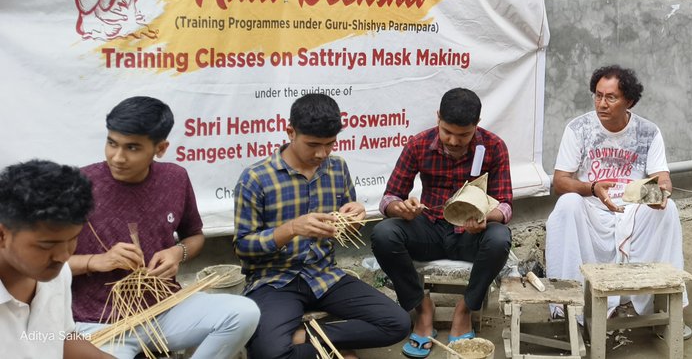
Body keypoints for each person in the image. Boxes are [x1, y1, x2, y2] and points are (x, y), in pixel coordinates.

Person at [70, 96, 260, 359]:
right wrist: (95, 261)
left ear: (160, 148)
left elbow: (194, 236)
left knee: (244, 313)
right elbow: (42, 264)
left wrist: (177, 253)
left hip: (165, 309)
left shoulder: (174, 178)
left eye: (132, 148)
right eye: (112, 143)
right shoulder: (78, 185)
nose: (118, 157)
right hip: (101, 323)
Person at [235, 94, 408, 359]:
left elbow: (345, 231)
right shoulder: (256, 178)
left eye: (329, 144)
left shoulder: (337, 168)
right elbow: (243, 247)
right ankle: (335, 347)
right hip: (275, 280)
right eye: (313, 145)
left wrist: (355, 217)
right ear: (290, 132)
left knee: (398, 323)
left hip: (325, 274)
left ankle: (307, 338)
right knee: (267, 353)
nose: (321, 154)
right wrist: (291, 229)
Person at [545, 65, 690, 338]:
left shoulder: (648, 132)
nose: (602, 103)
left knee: (668, 210)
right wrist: (592, 188)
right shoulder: (578, 128)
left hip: (633, 211)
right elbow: (560, 181)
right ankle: (570, 308)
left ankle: (666, 309)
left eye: (611, 97)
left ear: (629, 101)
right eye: (598, 95)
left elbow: (663, 178)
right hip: (591, 209)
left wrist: (660, 193)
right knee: (566, 205)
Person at [371, 88, 513, 358]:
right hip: (429, 230)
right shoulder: (418, 144)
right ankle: (422, 309)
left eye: (464, 135)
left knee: (499, 237)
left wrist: (486, 217)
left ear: (477, 124)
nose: (454, 141)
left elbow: (505, 205)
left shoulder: (494, 146)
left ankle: (465, 309)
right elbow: (388, 199)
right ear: (438, 117)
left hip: (470, 235)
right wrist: (401, 209)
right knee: (383, 234)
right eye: (447, 132)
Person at [0, 160, 111, 359]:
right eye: (46, 245)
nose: (64, 255)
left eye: (73, 239)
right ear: (2, 235)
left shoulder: (57, 274)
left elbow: (60, 337)